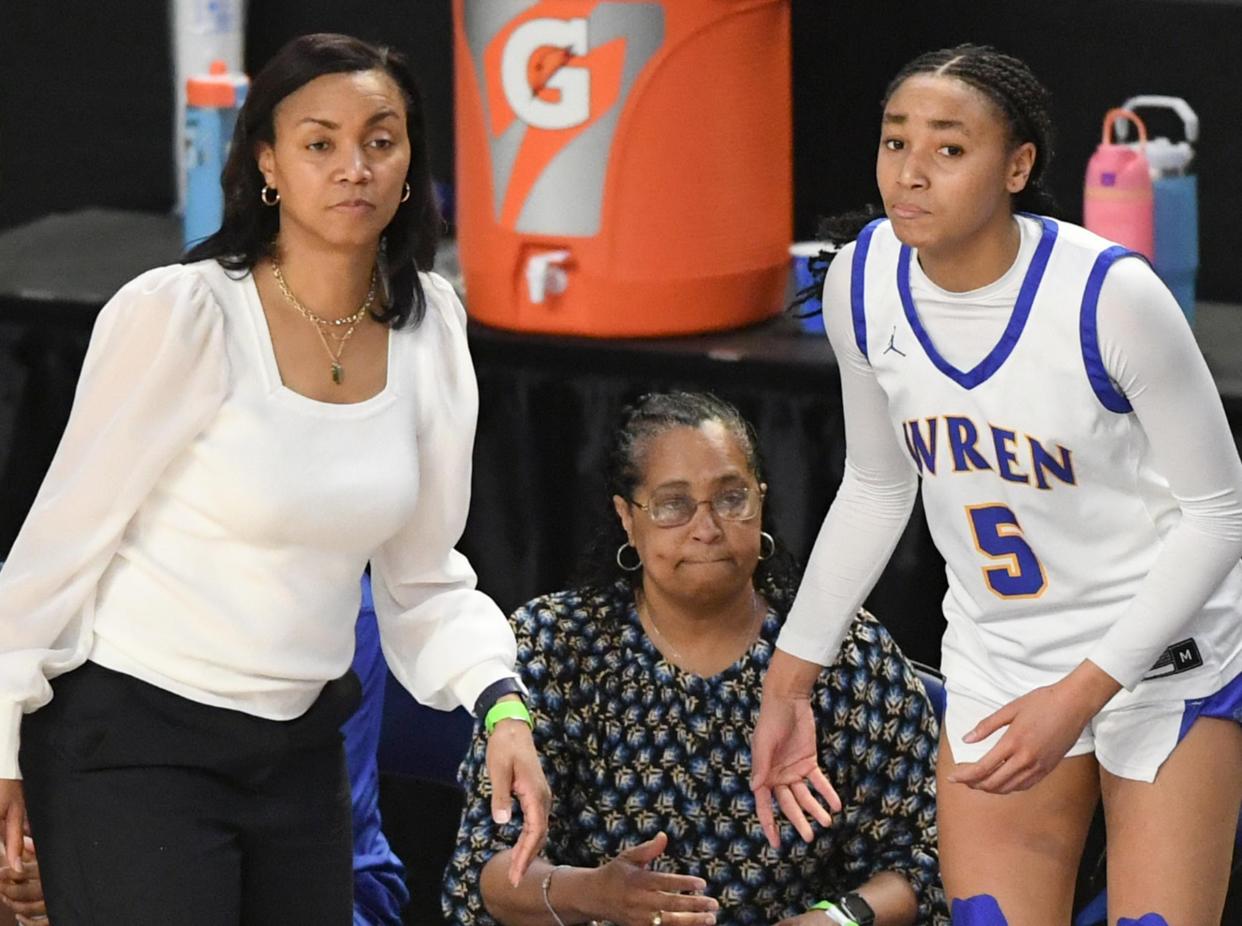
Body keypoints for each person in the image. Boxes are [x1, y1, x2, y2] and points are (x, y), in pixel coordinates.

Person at [0, 33, 549, 924]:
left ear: (412, 160)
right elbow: (57, 548)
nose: (354, 168)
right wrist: (2, 741)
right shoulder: (182, 314)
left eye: (381, 139)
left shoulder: (431, 326)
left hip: (297, 750)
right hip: (132, 740)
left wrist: (500, 707)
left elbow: (424, 577)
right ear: (268, 163)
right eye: (319, 143)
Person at [750, 44, 1242, 926]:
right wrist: (788, 683)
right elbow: (874, 483)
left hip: (1163, 656)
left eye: (948, 148)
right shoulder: (863, 279)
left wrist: (1083, 692)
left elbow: (1221, 510)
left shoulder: (1108, 295)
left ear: (1017, 167)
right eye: (895, 142)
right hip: (1002, 656)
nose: (911, 173)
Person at [443, 392, 947, 926]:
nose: (706, 527)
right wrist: (592, 894)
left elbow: (926, 857)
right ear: (627, 520)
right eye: (673, 505)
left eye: (731, 498)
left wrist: (833, 919)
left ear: (762, 502)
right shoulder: (553, 644)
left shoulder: (841, 652)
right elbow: (488, 871)